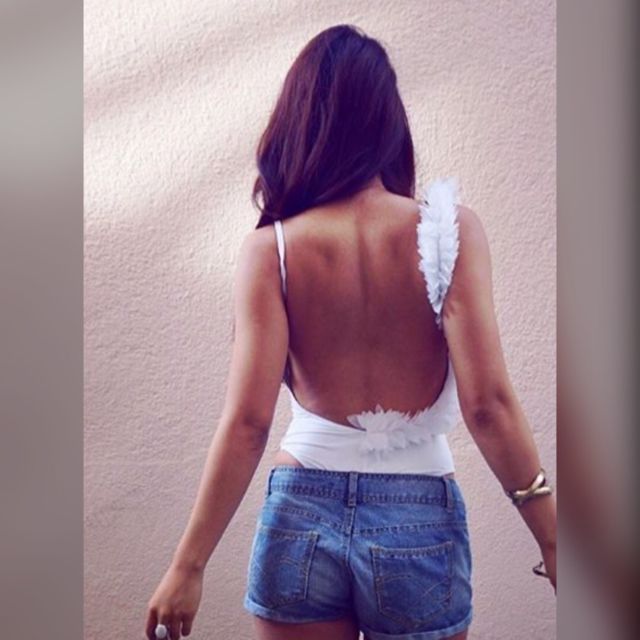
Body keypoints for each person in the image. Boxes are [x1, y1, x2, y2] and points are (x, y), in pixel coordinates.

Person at [145, 24, 556, 640]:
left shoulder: (272, 250)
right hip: (418, 520)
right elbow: (488, 407)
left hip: (300, 512)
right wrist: (553, 538)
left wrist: (188, 565)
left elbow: (248, 423)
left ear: (298, 122)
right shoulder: (448, 231)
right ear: (389, 123)